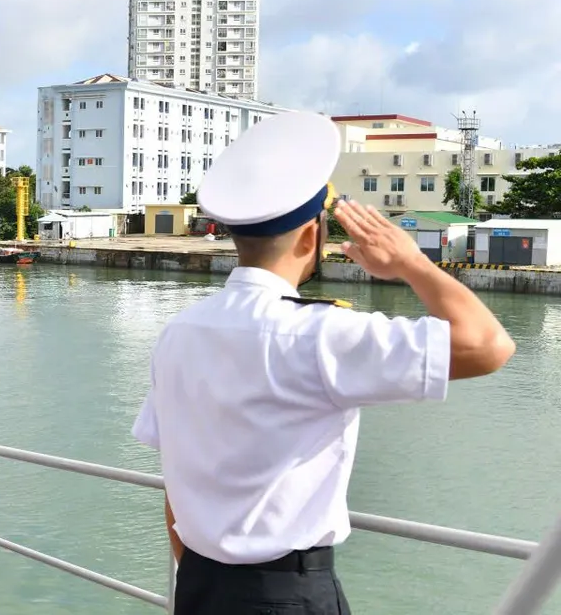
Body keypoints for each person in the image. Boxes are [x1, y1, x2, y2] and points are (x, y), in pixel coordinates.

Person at [131, 111, 516, 615]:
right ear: (311, 237)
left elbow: (175, 475)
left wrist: (207, 571)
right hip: (285, 595)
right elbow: (489, 346)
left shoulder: (179, 333)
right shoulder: (319, 333)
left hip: (200, 585)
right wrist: (410, 263)